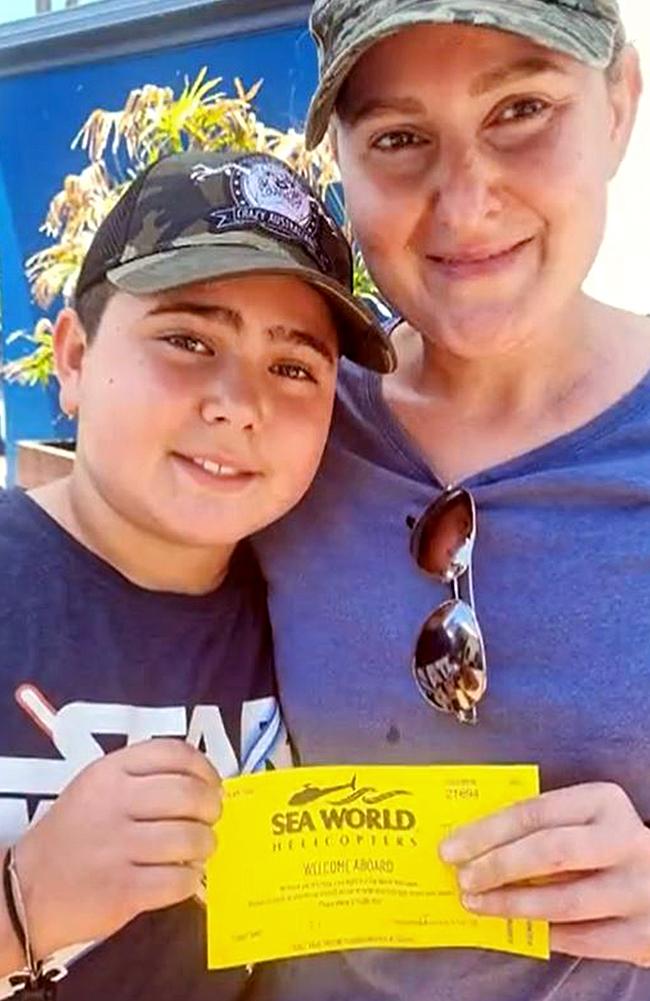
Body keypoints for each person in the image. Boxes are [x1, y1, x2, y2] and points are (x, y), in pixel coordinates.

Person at [250, 1, 650, 998]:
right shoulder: (276, 427)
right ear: (339, 160)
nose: (463, 205)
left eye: (520, 108)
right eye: (397, 138)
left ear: (618, 104)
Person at [0, 148, 393, 1000]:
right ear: (72, 359)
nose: (238, 403)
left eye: (293, 367)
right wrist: (26, 897)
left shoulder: (311, 608)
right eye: (187, 339)